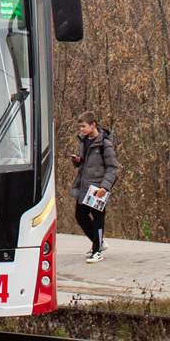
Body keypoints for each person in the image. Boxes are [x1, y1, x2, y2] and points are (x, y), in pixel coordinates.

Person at [68, 110, 118, 263]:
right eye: (80, 127)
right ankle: (99, 242)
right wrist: (77, 160)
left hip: (98, 189)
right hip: (84, 187)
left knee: (98, 220)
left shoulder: (104, 144)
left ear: (93, 125)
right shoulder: (83, 141)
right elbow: (84, 163)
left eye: (84, 126)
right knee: (80, 216)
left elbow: (112, 168)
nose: (81, 129)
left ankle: (97, 251)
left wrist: (105, 186)